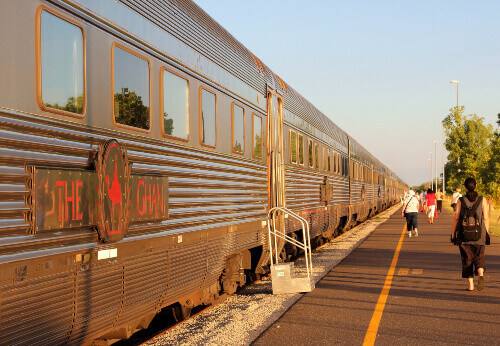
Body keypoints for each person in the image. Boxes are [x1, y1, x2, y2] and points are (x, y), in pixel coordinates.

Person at [451, 178, 490, 291]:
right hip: (480, 234)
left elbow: (456, 218)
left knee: (466, 259)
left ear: (465, 187)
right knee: (479, 256)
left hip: (464, 235)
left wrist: (453, 233)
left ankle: (471, 285)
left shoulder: (460, 200)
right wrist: (486, 233)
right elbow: (486, 218)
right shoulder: (482, 200)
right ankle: (481, 275)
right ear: (476, 186)